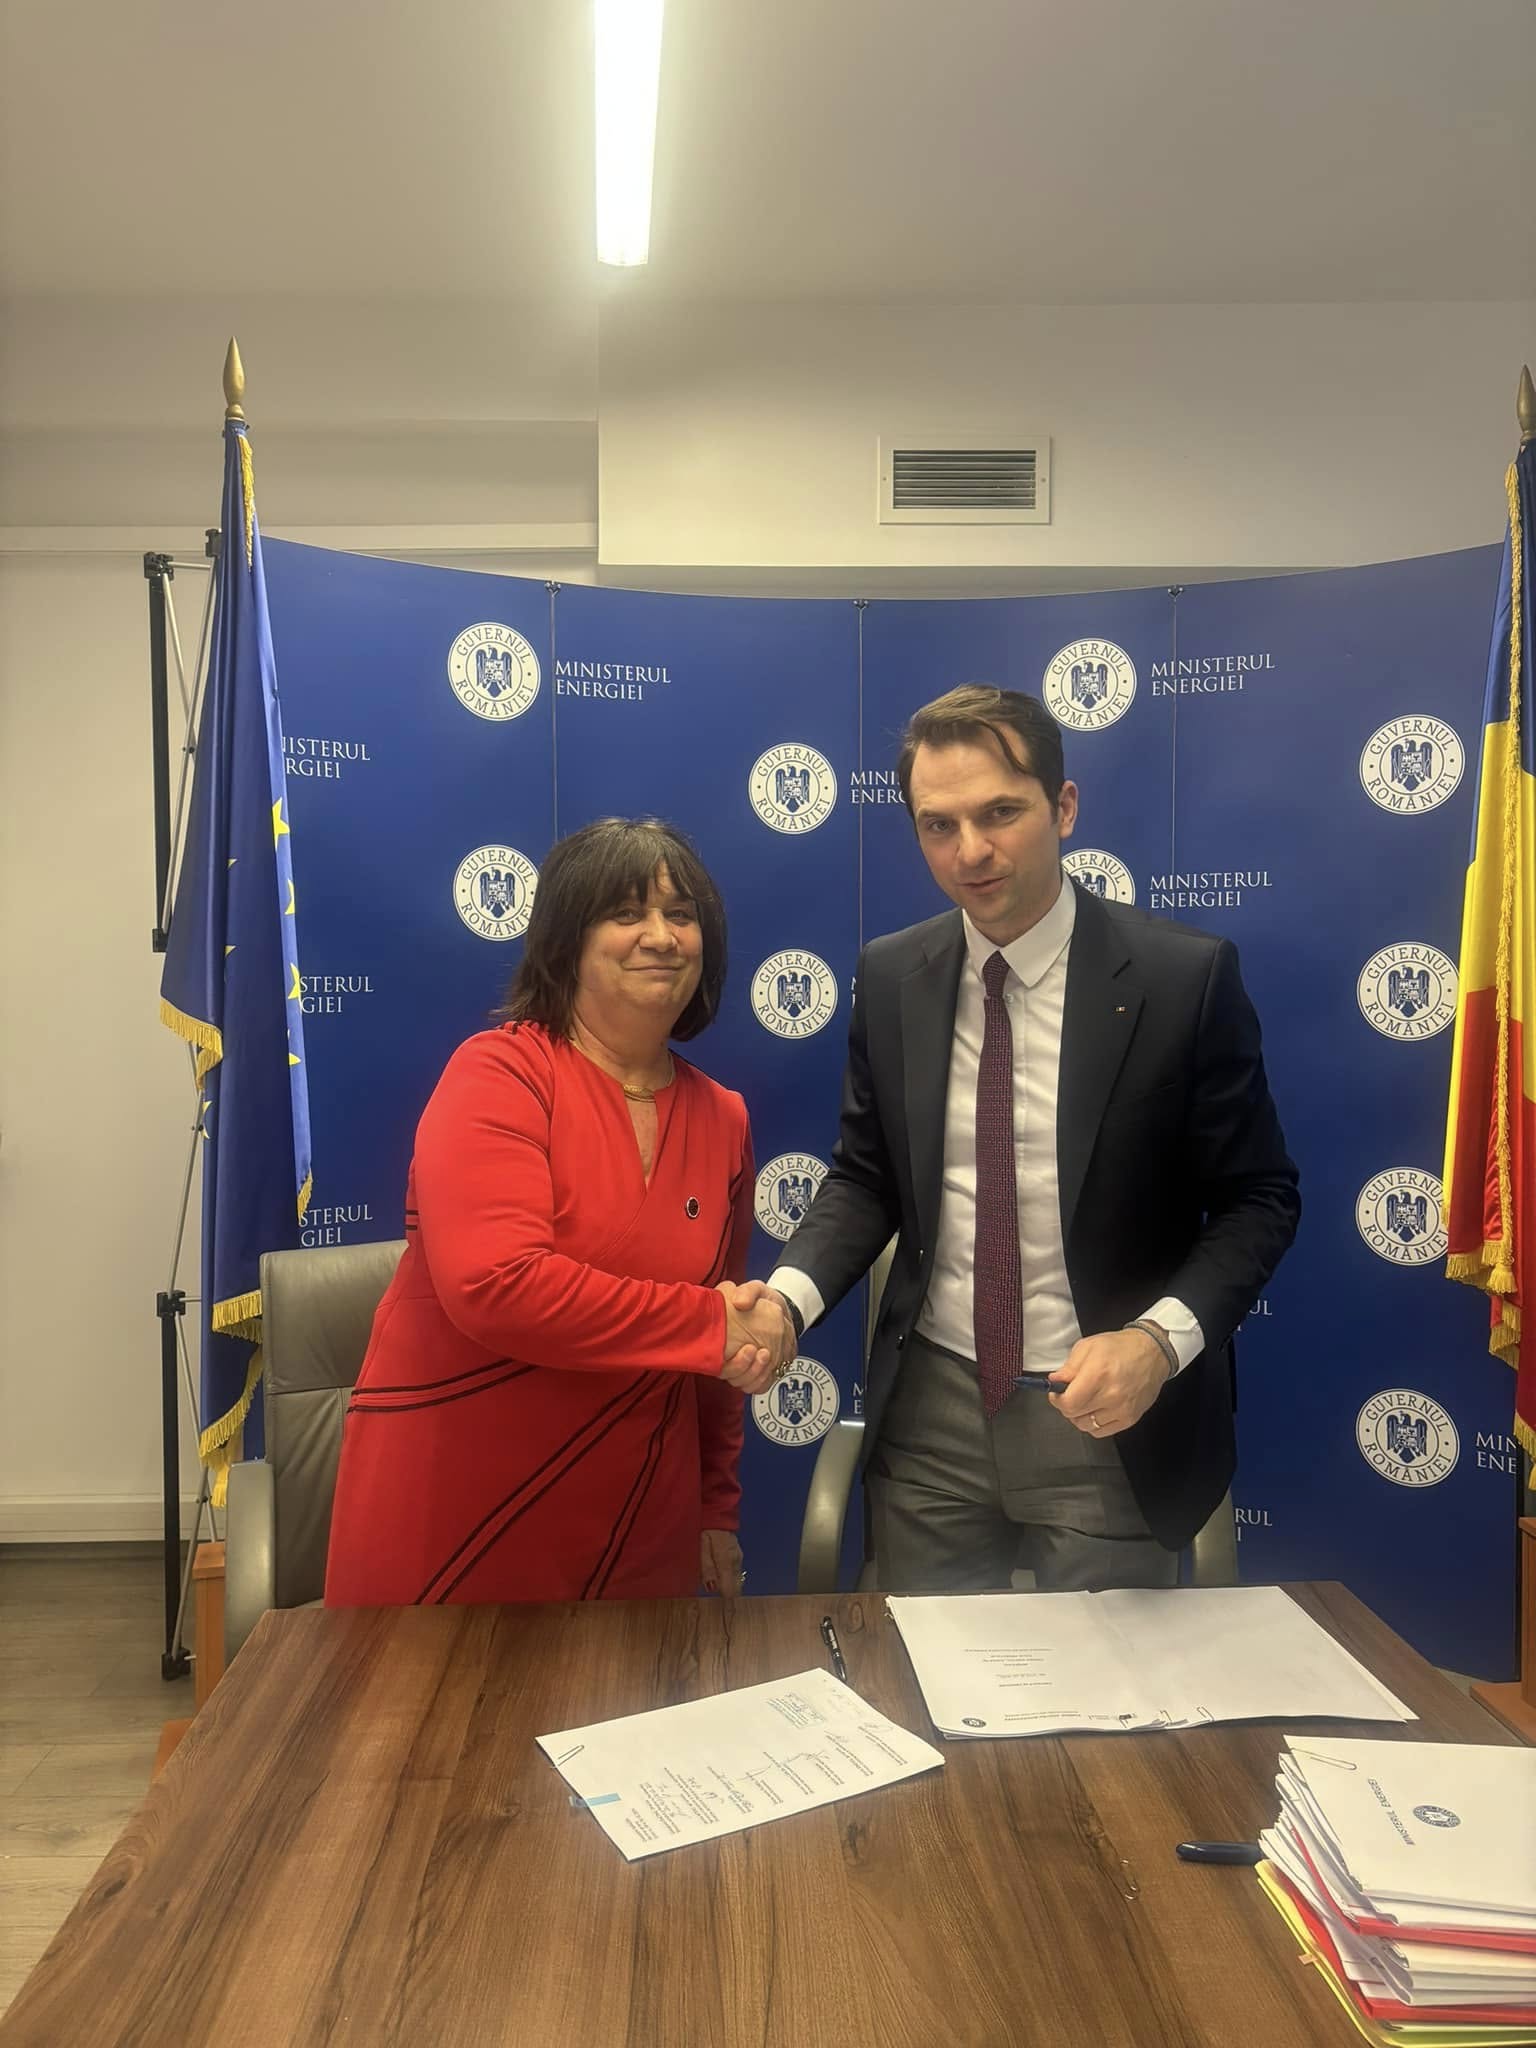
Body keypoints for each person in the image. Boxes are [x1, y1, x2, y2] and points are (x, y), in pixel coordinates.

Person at [766, 686, 1300, 1593]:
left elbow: (1260, 1199)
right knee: (923, 1661)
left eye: (1000, 813)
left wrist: (1157, 1343)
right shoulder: (892, 975)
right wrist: (785, 1303)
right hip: (930, 1413)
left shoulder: (1182, 978)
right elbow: (865, 1178)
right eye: (938, 825)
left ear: (1064, 807)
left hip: (1106, 1410)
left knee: (1100, 1683)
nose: (969, 851)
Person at [325, 817, 793, 1609]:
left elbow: (718, 1349)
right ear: (567, 941)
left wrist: (716, 1506)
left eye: (681, 916)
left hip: (641, 1522)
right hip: (459, 1508)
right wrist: (712, 1326)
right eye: (627, 913)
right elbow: (496, 1285)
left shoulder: (724, 1117)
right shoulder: (499, 1074)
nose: (661, 937)